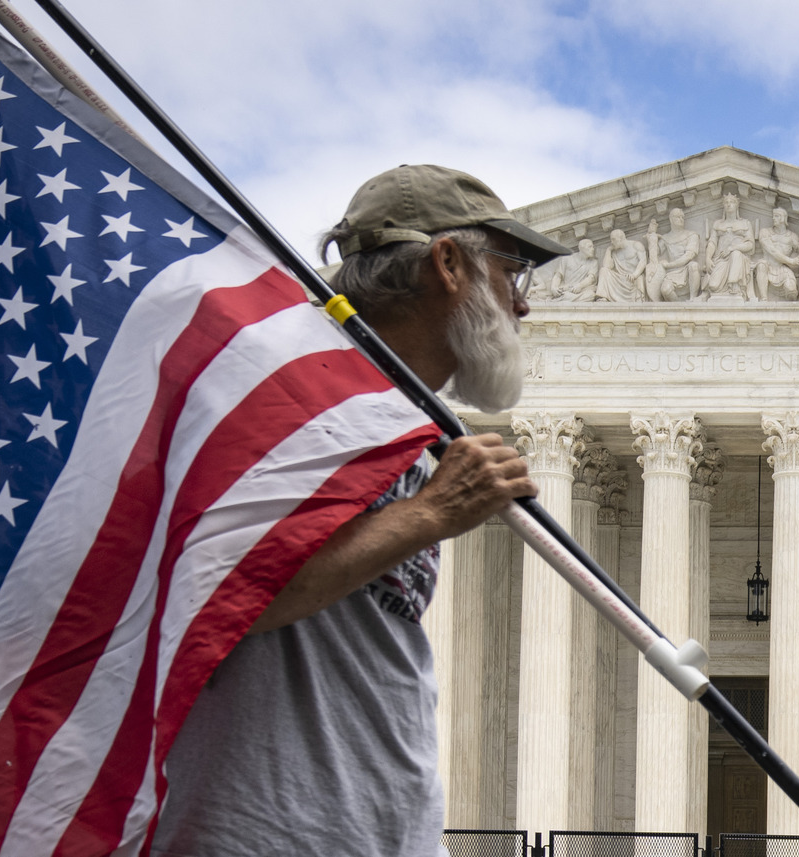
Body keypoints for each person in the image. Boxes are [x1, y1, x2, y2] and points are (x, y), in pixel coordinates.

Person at [150, 164, 570, 857]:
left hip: (376, 827)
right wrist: (431, 513)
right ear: (449, 264)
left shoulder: (398, 421)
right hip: (269, 832)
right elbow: (227, 592)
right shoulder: (294, 393)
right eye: (511, 273)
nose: (521, 305)